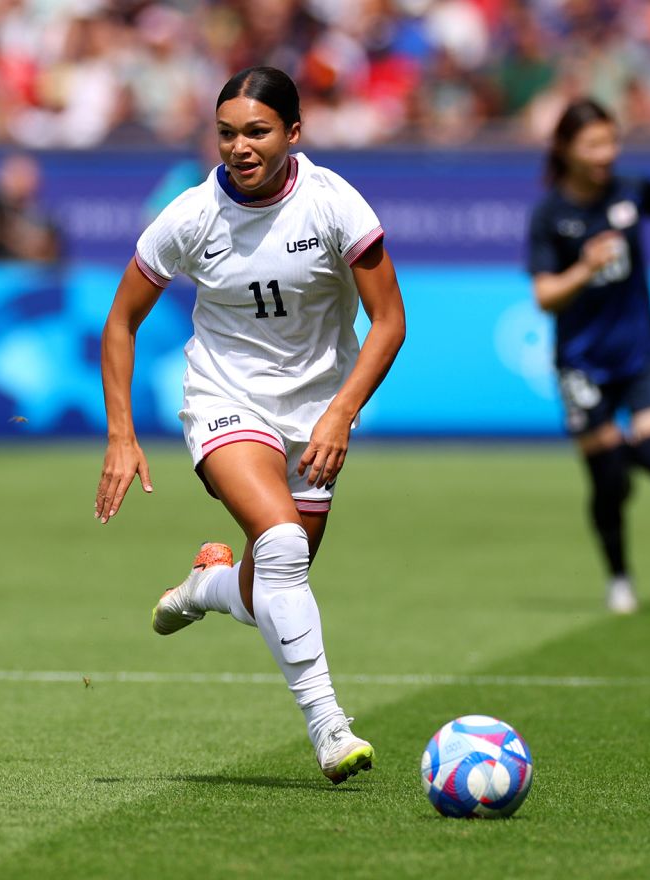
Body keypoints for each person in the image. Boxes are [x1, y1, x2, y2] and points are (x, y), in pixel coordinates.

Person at [93, 67, 406, 783]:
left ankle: (207, 587)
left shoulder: (333, 205)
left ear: (293, 133)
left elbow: (389, 321)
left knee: (269, 585)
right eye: (228, 132)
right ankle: (330, 727)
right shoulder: (191, 216)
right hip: (224, 400)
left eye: (258, 131)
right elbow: (120, 322)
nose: (240, 146)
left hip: (316, 415)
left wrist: (339, 412)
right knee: (287, 545)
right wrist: (121, 433)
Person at [527, 98, 650, 615]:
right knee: (608, 484)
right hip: (581, 363)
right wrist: (585, 268)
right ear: (566, 150)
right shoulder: (551, 214)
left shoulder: (634, 190)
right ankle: (619, 578)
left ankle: (614, 454)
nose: (605, 153)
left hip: (640, 356)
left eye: (611, 141)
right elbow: (545, 296)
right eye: (593, 144)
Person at [0, 152, 63, 262]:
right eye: (11, 174)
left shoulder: (44, 219)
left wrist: (7, 229)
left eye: (22, 174)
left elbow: (43, 259)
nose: (16, 180)